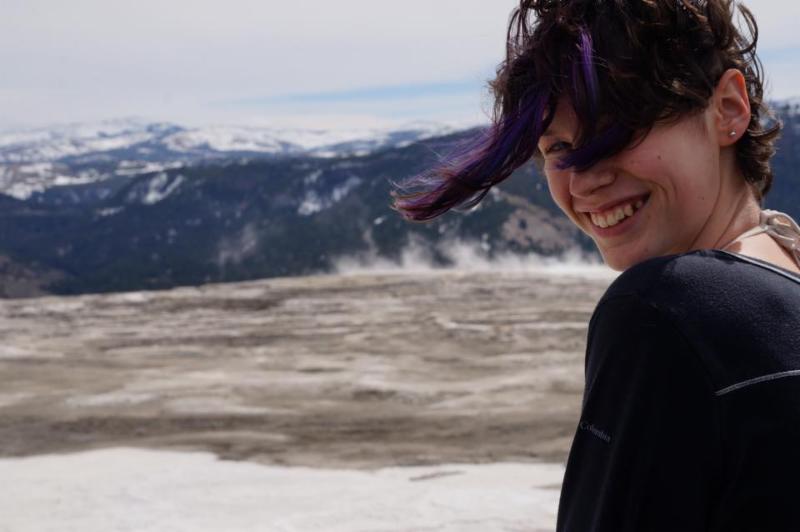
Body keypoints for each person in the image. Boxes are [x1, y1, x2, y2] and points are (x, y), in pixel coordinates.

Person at [392, 0, 800, 530]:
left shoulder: (668, 308)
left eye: (621, 127)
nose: (585, 179)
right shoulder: (786, 272)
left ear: (727, 108)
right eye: (558, 147)